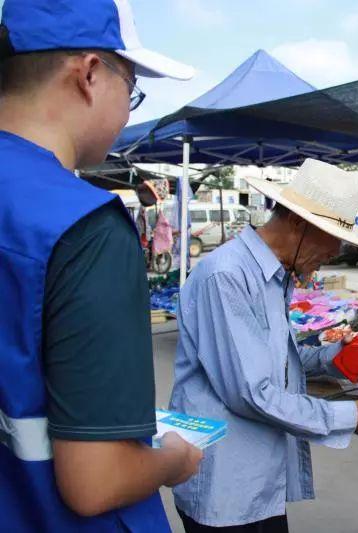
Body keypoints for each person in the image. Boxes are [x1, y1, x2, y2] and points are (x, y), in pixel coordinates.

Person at [0, 0, 200, 531]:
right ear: (89, 73)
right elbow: (96, 482)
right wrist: (177, 459)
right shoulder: (84, 225)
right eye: (131, 88)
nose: (129, 111)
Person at [169, 158, 358, 532]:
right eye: (331, 237)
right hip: (227, 484)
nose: (334, 250)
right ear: (297, 222)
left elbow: (274, 360)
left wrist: (337, 358)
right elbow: (251, 392)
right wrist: (348, 416)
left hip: (258, 481)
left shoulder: (275, 277)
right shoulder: (227, 277)